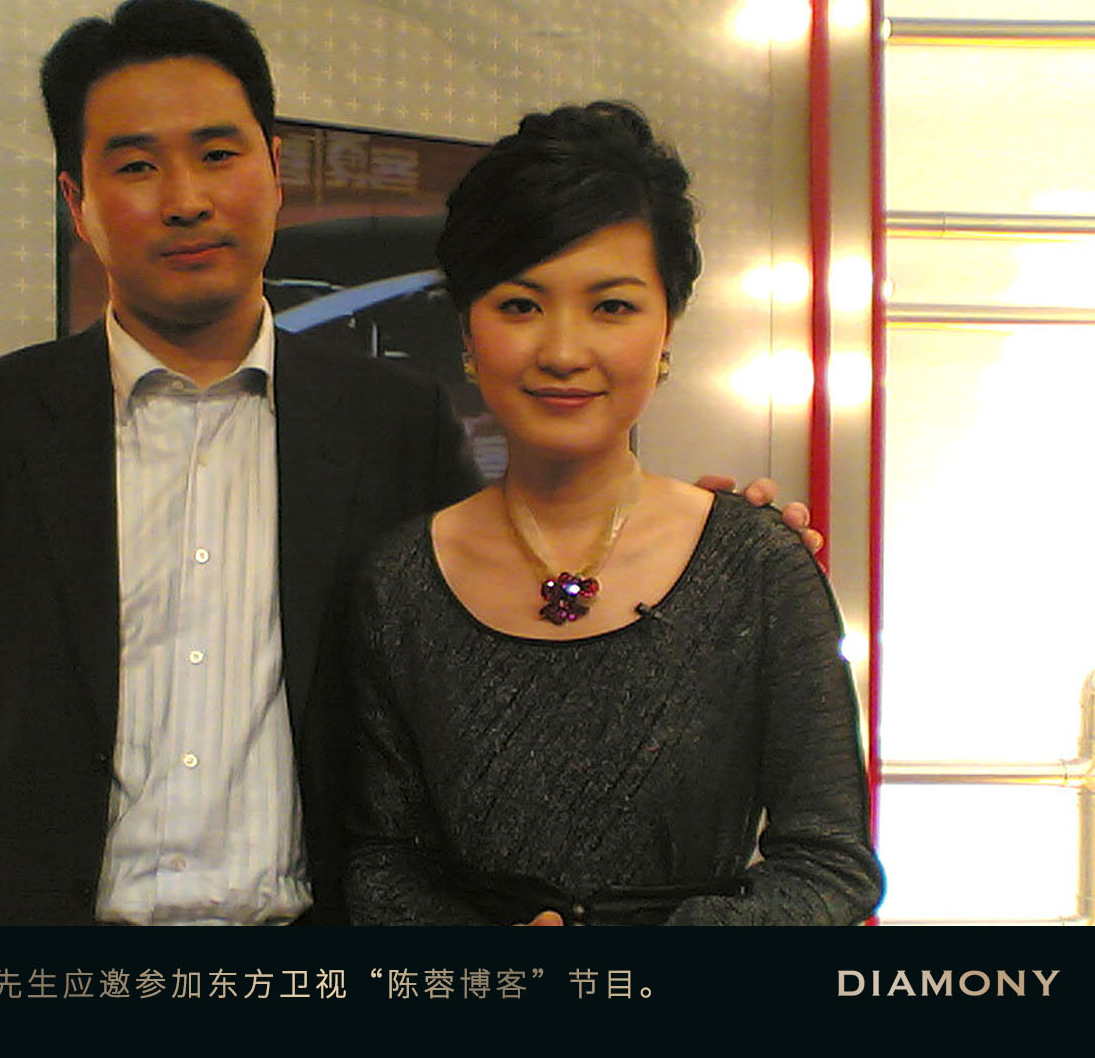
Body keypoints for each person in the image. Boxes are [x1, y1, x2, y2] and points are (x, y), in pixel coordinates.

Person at [0, 0, 819, 926]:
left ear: (275, 172)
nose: (186, 200)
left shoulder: (392, 422)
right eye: (137, 165)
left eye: (218, 154)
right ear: (78, 200)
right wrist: (27, 858)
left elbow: (489, 630)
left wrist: (699, 557)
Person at [346, 102, 882, 925]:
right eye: (520, 305)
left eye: (613, 307)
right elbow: (381, 864)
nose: (564, 351)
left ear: (669, 328)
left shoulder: (756, 564)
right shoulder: (398, 583)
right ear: (467, 330)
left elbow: (830, 863)